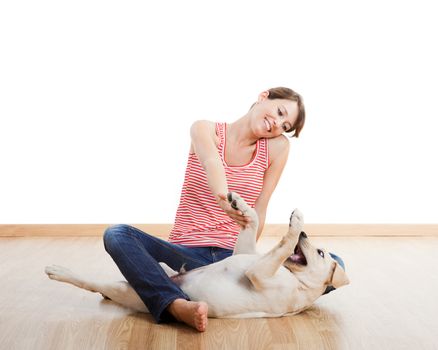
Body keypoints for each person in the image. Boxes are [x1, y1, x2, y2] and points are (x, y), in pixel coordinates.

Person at [103, 87, 306, 332]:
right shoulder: (204, 129)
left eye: (285, 125)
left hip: (230, 258)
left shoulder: (277, 148)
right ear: (263, 96)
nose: (277, 124)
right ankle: (176, 306)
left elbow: (261, 205)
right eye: (280, 111)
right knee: (117, 235)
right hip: (185, 254)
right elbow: (213, 164)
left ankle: (156, 288)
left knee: (334, 263)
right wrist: (224, 200)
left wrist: (247, 259)